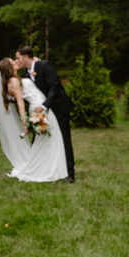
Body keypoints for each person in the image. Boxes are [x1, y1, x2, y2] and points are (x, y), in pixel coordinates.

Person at [0, 57, 68, 183]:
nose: (16, 62)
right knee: (51, 138)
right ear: (9, 68)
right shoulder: (13, 81)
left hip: (39, 107)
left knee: (45, 140)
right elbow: (20, 103)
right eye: (13, 62)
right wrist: (24, 123)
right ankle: (44, 171)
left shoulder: (13, 80)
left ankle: (47, 169)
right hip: (40, 108)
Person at [15, 46, 75, 183]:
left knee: (65, 139)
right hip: (40, 113)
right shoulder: (25, 75)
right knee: (39, 139)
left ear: (25, 57)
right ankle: (41, 169)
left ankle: (70, 173)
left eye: (18, 58)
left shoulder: (45, 66)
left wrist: (44, 106)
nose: (16, 60)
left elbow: (55, 87)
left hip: (58, 108)